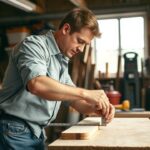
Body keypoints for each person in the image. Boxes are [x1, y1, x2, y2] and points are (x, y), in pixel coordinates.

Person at [0, 8, 115, 150]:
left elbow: (72, 99)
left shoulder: (60, 60)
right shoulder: (33, 46)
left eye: (85, 44)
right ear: (66, 29)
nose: (81, 49)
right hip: (13, 130)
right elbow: (37, 84)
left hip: (35, 133)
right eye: (80, 41)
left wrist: (95, 108)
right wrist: (87, 93)